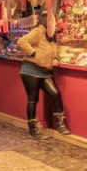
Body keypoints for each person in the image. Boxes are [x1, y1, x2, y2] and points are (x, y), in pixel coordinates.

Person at [17, 11, 70, 139]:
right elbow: (22, 41)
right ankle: (33, 130)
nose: (55, 24)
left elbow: (54, 50)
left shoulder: (51, 35)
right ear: (47, 22)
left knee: (55, 94)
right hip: (31, 69)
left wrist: (56, 57)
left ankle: (60, 124)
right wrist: (34, 53)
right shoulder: (39, 31)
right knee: (33, 99)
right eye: (53, 21)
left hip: (45, 71)